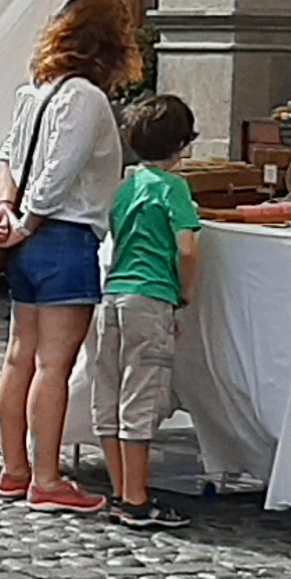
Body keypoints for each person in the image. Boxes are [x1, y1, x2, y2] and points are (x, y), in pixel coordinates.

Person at [0, 0, 144, 512]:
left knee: (19, 356)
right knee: (54, 364)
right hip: (64, 236)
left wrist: (4, 212)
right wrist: (25, 221)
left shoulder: (35, 91)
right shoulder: (87, 99)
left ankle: (15, 469)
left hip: (28, 243)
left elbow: (10, 157)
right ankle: (47, 480)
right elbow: (59, 174)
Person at [94, 94, 207, 530]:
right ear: (181, 145)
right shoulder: (173, 187)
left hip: (113, 295)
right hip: (151, 295)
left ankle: (122, 489)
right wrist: (185, 291)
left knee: (110, 392)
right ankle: (138, 500)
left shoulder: (124, 187)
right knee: (142, 394)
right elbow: (187, 247)